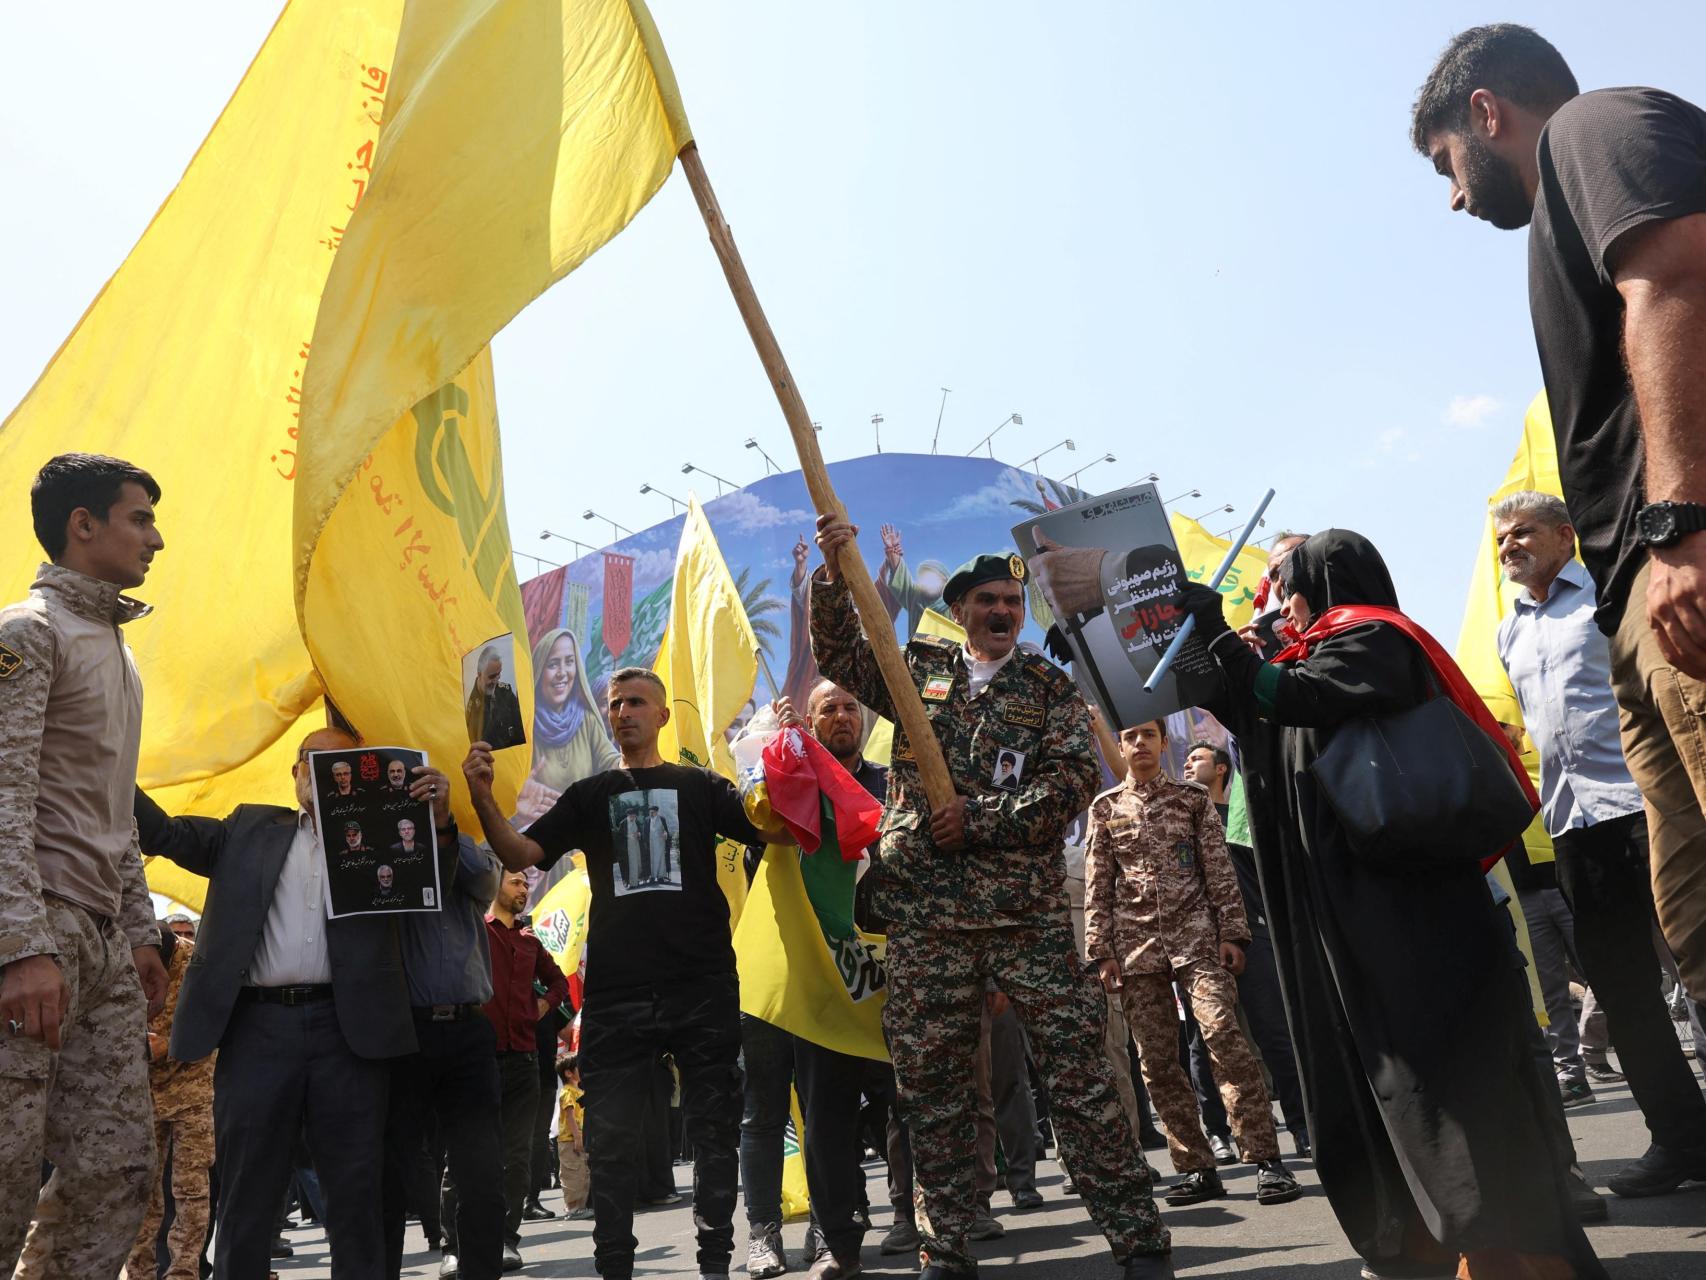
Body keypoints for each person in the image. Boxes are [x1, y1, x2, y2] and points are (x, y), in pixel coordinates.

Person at [1175, 529, 1605, 1280]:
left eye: (1287, 582)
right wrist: (1155, 643)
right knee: (1391, 1079)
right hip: (1351, 918)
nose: (1277, 599)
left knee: (1449, 1079)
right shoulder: (1311, 653)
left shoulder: (1374, 638)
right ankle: (1436, 1244)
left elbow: (1293, 698)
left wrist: (1220, 633)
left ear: (1327, 581)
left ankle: (1509, 1253)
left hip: (1412, 916)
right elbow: (1260, 715)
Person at [1410, 23, 1706, 997]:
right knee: (1691, 920)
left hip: (1679, 562)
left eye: (1447, 162)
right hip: (1642, 600)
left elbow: (1676, 275)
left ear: (1486, 113)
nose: (1454, 195)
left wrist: (1677, 526)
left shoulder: (1591, 127)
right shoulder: (1560, 212)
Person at [810, 524, 1173, 1280]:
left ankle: (1138, 1240)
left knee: (1079, 1078)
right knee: (932, 1090)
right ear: (961, 610)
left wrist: (979, 820)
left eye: (1012, 600)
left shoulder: (1047, 688)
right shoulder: (918, 669)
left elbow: (1073, 780)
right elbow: (841, 656)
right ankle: (946, 1247)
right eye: (987, 601)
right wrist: (833, 573)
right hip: (927, 918)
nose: (1003, 611)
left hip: (1024, 916)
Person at [463, 667, 790, 1280]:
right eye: (615, 704)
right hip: (617, 993)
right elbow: (520, 853)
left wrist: (787, 757)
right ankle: (614, 1265)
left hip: (701, 985)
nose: (623, 713)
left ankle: (714, 1264)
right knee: (610, 1143)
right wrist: (482, 796)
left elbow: (776, 829)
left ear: (662, 715)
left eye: (636, 702)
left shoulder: (701, 787)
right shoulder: (589, 795)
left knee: (714, 1132)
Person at [134, 729, 451, 1279]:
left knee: (356, 1193)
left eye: (342, 763)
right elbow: (164, 833)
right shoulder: (249, 829)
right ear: (296, 771)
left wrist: (438, 820)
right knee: (247, 1193)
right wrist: (107, 755)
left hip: (349, 1034)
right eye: (315, 760)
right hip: (257, 1031)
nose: (328, 772)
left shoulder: (384, 836)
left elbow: (440, 882)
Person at [1493, 489, 1706, 1193]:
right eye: (1502, 538)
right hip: (1575, 829)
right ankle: (1682, 1141)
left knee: (1698, 964)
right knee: (1622, 990)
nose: (1509, 546)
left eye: (1523, 532)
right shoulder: (1509, 631)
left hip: (1648, 806)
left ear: (1565, 535)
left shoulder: (1609, 600)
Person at [0, 453, 169, 1277]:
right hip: (37, 929)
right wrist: (21, 945)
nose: (155, 539)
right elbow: (4, 792)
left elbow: (114, 811)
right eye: (141, 518)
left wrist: (139, 930)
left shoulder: (120, 655)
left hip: (101, 945)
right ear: (83, 524)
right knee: (4, 1174)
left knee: (117, 1172)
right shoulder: (28, 633)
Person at [1086, 719, 1301, 1208]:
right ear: (1120, 747)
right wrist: (1102, 952)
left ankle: (1267, 1160)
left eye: (1148, 735)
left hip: (1198, 940)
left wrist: (1233, 933)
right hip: (1137, 951)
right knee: (1157, 1061)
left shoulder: (1191, 799)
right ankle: (1195, 1166)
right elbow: (1099, 885)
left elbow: (1218, 869)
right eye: (1130, 738)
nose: (1140, 743)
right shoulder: (1106, 808)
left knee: (1224, 1035)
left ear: (1164, 743)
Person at [382, 822, 505, 1280]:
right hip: (403, 1034)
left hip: (466, 1029)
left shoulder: (467, 842)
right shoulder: (383, 848)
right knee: (391, 1172)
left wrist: (445, 829)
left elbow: (487, 881)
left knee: (481, 1173)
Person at [1181, 740, 1310, 1157]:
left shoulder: (1243, 816)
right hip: (1199, 943)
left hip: (1253, 933)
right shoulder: (1180, 819)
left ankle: (1302, 1125)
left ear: (1222, 769)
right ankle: (1217, 1131)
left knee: (1274, 1032)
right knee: (1205, 1040)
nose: (1187, 764)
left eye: (1197, 758)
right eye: (1185, 758)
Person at [480, 869, 570, 1271]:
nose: (523, 888)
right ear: (495, 884)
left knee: (516, 1159)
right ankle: (454, 1245)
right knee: (466, 1157)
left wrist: (545, 1003)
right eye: (515, 882)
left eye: (525, 883)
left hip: (524, 1061)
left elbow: (558, 982)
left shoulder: (530, 941)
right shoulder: (477, 932)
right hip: (478, 1061)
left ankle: (505, 1239)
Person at [126, 920, 217, 1280]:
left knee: (190, 1189)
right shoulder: (125, 960)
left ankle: (184, 1270)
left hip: (192, 1088)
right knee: (141, 1190)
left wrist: (168, 1045)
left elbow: (215, 1022)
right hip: (144, 1092)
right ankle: (140, 1271)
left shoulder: (198, 964)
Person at [514, 627, 620, 827]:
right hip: (537, 835)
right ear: (539, 669)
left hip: (582, 835)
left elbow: (611, 763)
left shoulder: (587, 722)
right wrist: (517, 797)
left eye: (569, 662)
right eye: (553, 664)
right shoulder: (524, 725)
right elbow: (505, 788)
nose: (562, 673)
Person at [467, 647, 526, 751]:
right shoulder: (471, 708)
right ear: (479, 674)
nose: (496, 680)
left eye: (498, 674)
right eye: (492, 676)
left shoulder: (505, 692)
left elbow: (521, 731)